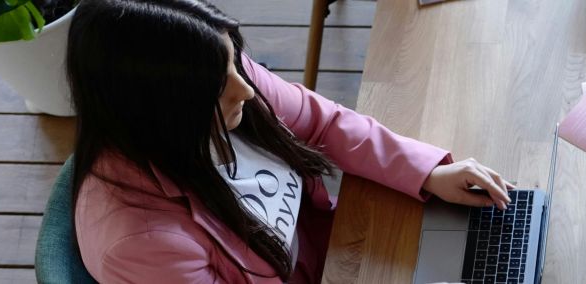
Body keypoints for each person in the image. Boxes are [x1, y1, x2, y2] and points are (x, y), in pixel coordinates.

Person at [64, 0, 517, 282]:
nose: (245, 88)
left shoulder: (219, 76)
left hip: (344, 249)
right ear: (160, 109)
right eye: (219, 86)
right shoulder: (140, 246)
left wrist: (428, 172)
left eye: (237, 64)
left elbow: (324, 123)